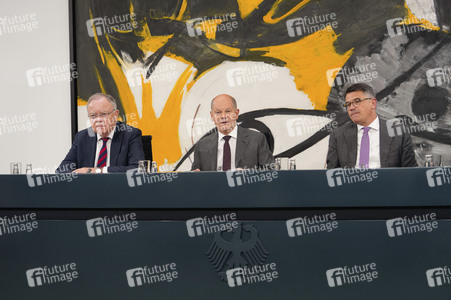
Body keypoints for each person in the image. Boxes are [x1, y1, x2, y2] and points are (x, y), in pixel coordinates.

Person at [327, 83, 417, 168]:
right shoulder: (338, 135)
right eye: (348, 104)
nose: (351, 108)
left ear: (373, 103)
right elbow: (332, 173)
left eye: (357, 101)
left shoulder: (398, 133)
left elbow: (410, 171)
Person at [57, 93, 144, 173]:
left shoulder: (130, 135)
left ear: (115, 115)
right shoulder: (82, 137)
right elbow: (62, 170)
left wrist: (98, 170)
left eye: (103, 114)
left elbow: (137, 169)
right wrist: (76, 173)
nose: (98, 120)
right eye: (93, 116)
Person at [191, 94, 275, 171]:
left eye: (228, 111)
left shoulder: (257, 140)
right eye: (218, 112)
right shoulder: (201, 146)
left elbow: (270, 172)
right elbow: (194, 177)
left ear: (236, 113)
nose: (223, 116)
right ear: (212, 116)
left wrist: (249, 175)